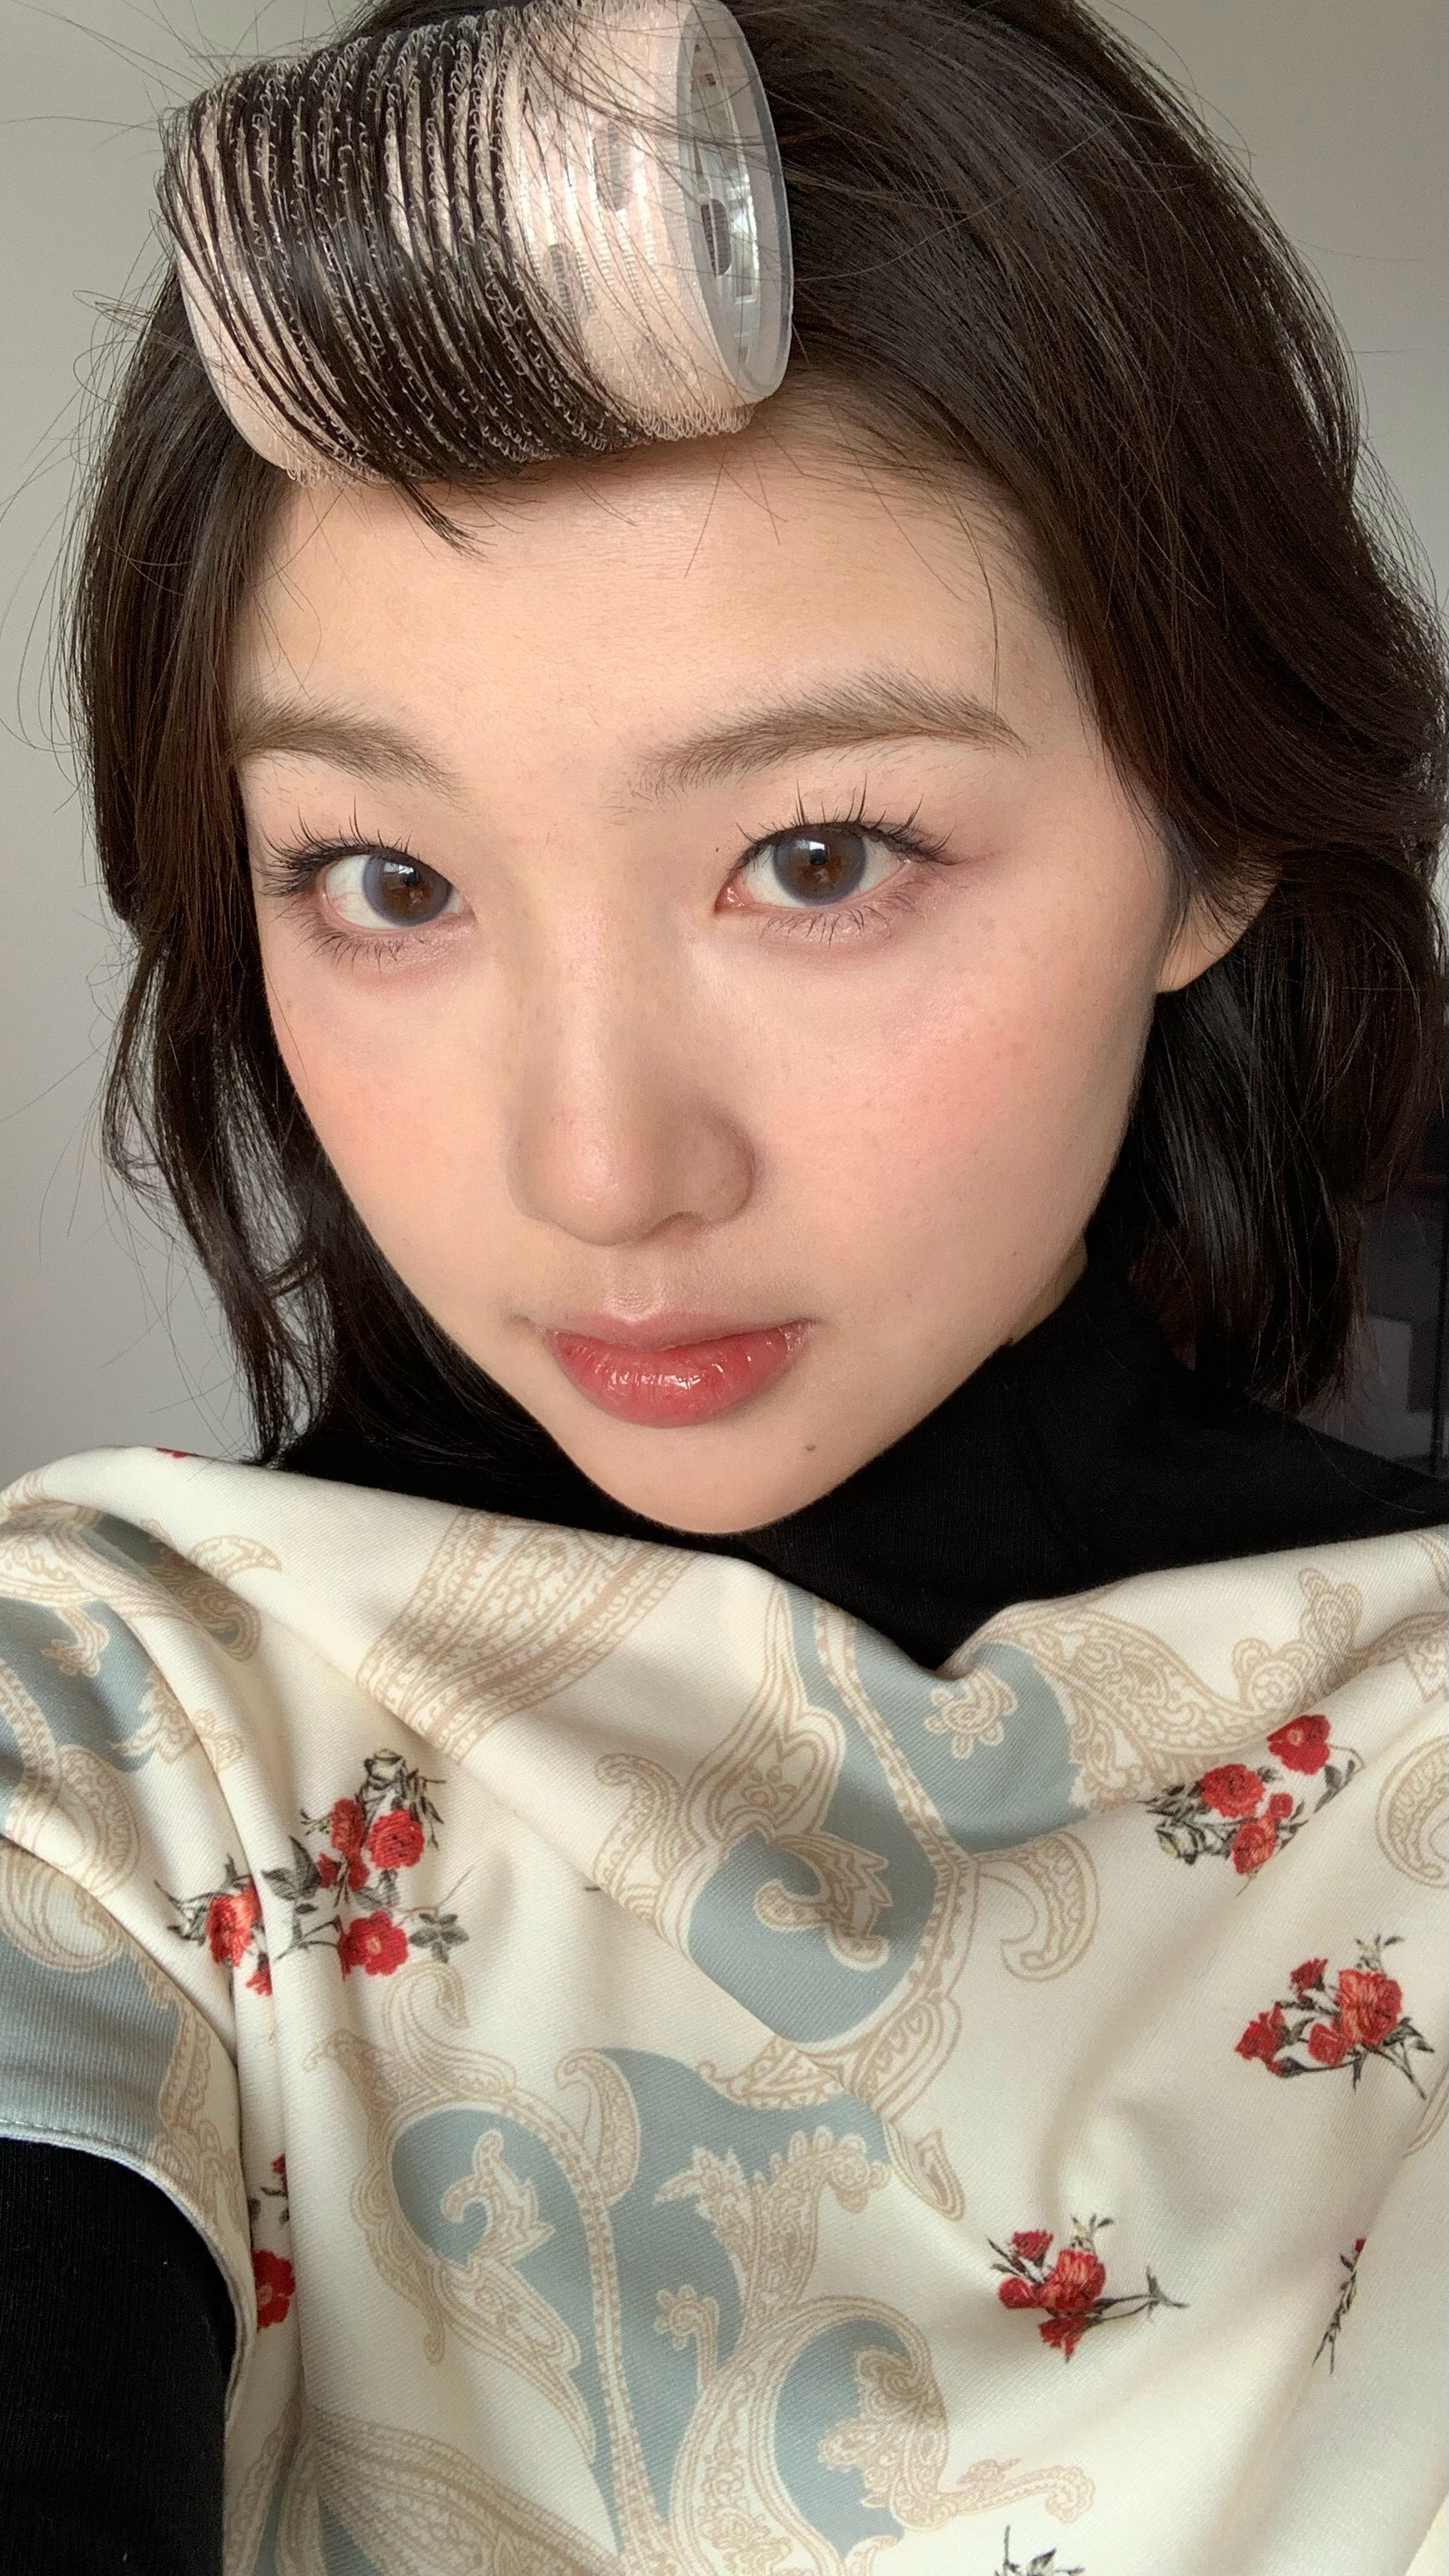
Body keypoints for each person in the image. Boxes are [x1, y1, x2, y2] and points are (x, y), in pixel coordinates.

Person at [0, 0, 1445, 2568]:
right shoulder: (120, 1737)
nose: (595, 1170)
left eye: (818, 857)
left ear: (1213, 833)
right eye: (385, 881)